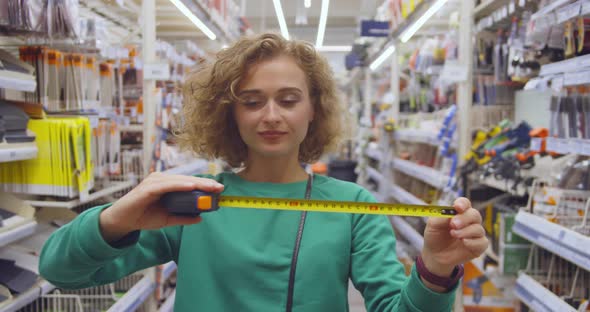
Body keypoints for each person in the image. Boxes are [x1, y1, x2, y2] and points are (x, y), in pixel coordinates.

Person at [39, 33, 488, 311]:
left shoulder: (354, 206)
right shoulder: (190, 201)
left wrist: (434, 270)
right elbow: (62, 270)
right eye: (252, 102)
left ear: (314, 110)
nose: (271, 115)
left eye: (289, 100)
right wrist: (114, 217)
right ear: (229, 115)